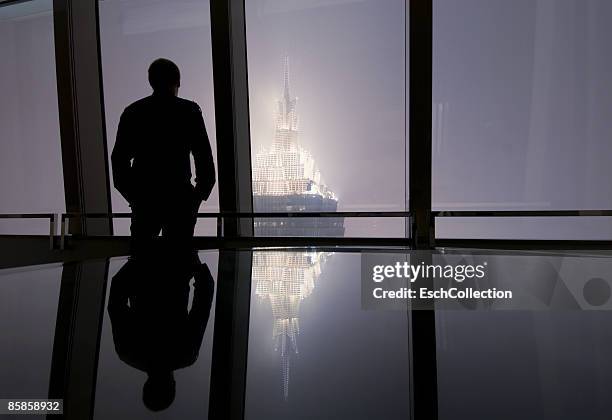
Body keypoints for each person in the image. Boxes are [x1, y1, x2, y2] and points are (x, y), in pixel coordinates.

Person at [111, 58, 215, 248]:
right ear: (178, 82)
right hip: (179, 201)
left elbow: (119, 160)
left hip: (145, 200)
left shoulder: (133, 113)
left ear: (151, 81)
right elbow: (204, 161)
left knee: (142, 262)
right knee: (178, 264)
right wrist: (194, 200)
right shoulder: (189, 112)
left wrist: (135, 197)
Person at [108, 249, 214, 411]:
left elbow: (202, 302)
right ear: (146, 385)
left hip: (178, 263)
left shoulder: (186, 354)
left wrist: (195, 265)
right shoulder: (128, 352)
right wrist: (136, 263)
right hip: (145, 263)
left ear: (173, 384)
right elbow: (116, 301)